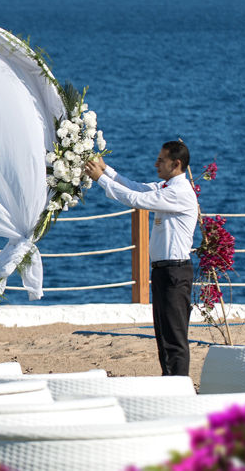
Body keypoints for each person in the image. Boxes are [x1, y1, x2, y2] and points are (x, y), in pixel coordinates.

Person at [83, 140, 198, 376]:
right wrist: (107, 170)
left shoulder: (178, 193)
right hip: (164, 271)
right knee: (163, 336)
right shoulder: (166, 187)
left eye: (161, 160)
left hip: (175, 273)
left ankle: (179, 385)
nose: (156, 164)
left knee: (174, 338)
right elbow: (136, 188)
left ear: (176, 164)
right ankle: (170, 382)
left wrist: (100, 179)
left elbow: (136, 200)